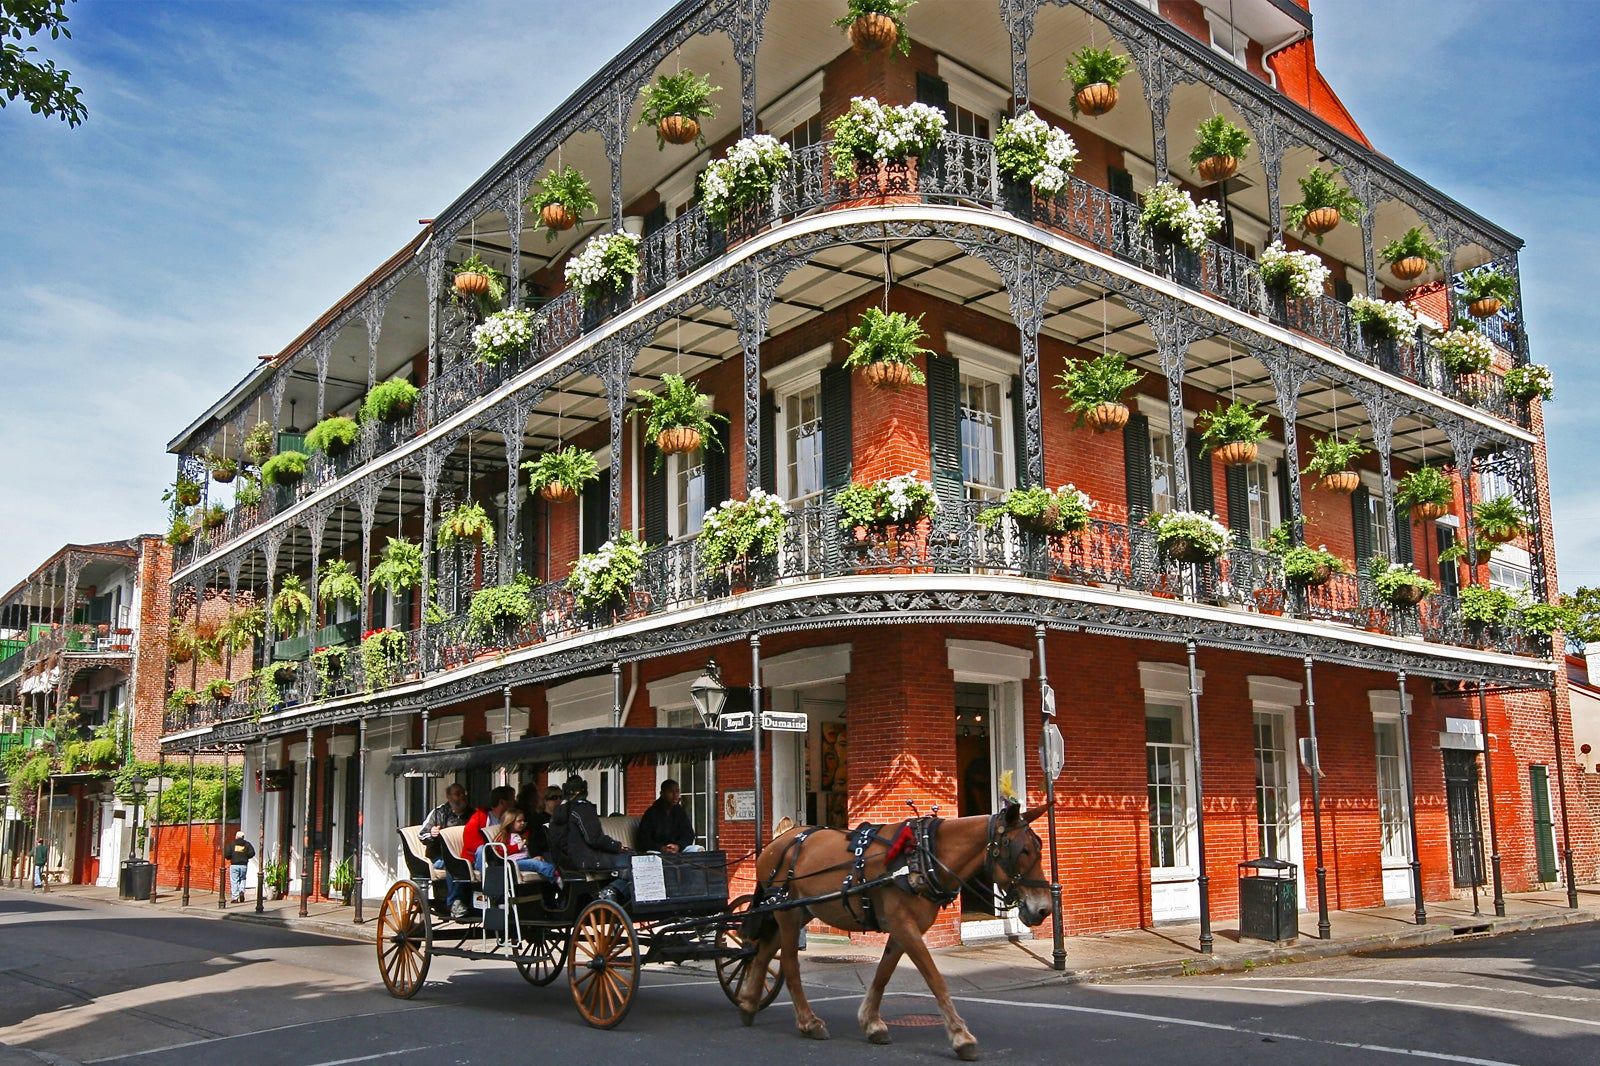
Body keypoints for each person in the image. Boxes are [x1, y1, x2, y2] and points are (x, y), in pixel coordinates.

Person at [550, 775, 632, 902]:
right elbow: (594, 839)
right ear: (584, 790)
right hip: (588, 859)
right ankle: (611, 891)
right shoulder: (582, 808)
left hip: (569, 861)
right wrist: (617, 846)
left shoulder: (559, 812)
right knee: (633, 862)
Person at [452, 785, 515, 918]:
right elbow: (470, 840)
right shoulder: (480, 817)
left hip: (505, 855)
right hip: (479, 858)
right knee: (482, 850)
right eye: (512, 799)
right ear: (502, 802)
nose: (514, 802)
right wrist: (492, 850)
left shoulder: (511, 818)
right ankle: (490, 889)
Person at [476, 807, 559, 885]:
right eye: (519, 821)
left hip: (525, 859)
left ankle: (555, 883)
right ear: (510, 823)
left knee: (540, 861)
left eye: (523, 820)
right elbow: (499, 851)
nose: (522, 823)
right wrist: (517, 847)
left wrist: (533, 857)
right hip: (513, 862)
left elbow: (526, 851)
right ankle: (557, 876)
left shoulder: (523, 835)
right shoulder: (504, 836)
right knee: (536, 864)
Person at [637, 779, 703, 855]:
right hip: (658, 851)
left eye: (677, 791)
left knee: (698, 849)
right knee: (653, 855)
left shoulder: (680, 811)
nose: (675, 795)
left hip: (678, 849)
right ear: (662, 793)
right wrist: (662, 848)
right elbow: (643, 840)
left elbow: (689, 834)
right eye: (671, 792)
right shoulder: (651, 813)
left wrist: (678, 846)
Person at [226, 831, 256, 903]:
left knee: (234, 881)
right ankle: (241, 891)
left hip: (234, 864)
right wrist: (246, 857)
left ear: (236, 836)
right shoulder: (247, 844)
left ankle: (235, 897)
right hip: (243, 865)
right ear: (243, 837)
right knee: (243, 879)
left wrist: (231, 857)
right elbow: (252, 853)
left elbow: (227, 854)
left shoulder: (232, 844)